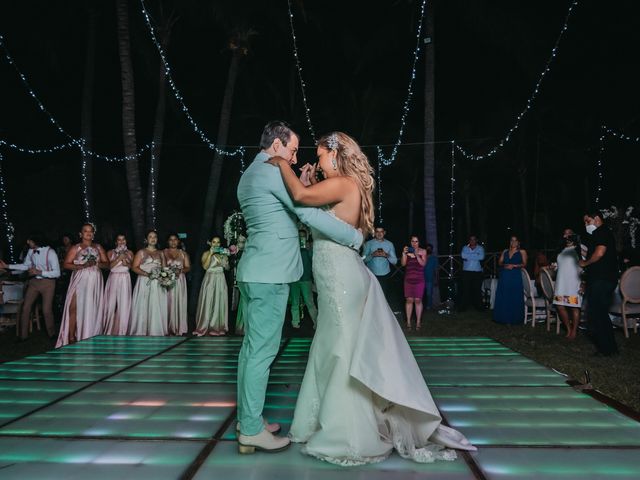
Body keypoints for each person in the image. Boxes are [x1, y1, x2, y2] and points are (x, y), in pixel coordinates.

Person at [268, 131, 475, 465]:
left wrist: (280, 162)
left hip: (341, 281)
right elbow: (310, 209)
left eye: (320, 157)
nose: (318, 164)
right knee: (330, 347)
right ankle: (320, 420)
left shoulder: (344, 183)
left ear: (334, 155)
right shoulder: (343, 186)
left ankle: (349, 434)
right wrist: (304, 180)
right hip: (337, 276)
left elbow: (300, 197)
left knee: (341, 351)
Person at [235, 121, 364, 455]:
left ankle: (249, 418)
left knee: (252, 350)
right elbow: (305, 211)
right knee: (261, 353)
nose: (294, 158)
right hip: (270, 274)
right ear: (277, 144)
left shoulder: (251, 172)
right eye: (292, 150)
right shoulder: (272, 171)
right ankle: (250, 430)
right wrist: (352, 235)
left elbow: (282, 212)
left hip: (255, 270)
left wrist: (301, 184)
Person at [56, 223, 108, 347]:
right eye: (85, 231)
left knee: (91, 306)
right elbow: (66, 264)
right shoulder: (76, 248)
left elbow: (107, 264)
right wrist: (81, 265)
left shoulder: (98, 247)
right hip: (80, 278)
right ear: (81, 234)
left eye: (90, 231)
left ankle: (90, 333)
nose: (88, 233)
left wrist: (96, 263)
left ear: (93, 234)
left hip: (95, 280)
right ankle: (71, 336)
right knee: (73, 307)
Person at [0, 233, 60, 340]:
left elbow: (57, 273)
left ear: (36, 241)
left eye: (29, 241)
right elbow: (25, 266)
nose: (27, 242)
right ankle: (23, 336)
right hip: (34, 283)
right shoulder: (30, 251)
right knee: (26, 307)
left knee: (46, 310)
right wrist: (7, 266)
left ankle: (52, 334)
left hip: (48, 283)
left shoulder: (50, 253)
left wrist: (39, 272)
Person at [579, 212, 619, 356]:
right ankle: (609, 348)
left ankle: (606, 350)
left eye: (587, 221)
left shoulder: (601, 232)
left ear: (597, 219)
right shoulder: (600, 233)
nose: (585, 225)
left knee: (597, 315)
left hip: (602, 279)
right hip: (601, 279)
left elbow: (600, 253)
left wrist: (585, 262)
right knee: (600, 314)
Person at [129, 230, 168, 336]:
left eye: (155, 236)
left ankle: (156, 329)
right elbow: (134, 268)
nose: (153, 238)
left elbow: (164, 269)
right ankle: (141, 330)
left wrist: (165, 277)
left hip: (157, 283)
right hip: (144, 281)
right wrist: (147, 274)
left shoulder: (161, 253)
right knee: (143, 305)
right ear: (146, 239)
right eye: (150, 236)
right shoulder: (141, 252)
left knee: (156, 305)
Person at [193, 236, 230, 336]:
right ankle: (206, 325)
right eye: (214, 242)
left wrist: (225, 259)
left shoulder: (222, 254)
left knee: (219, 301)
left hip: (220, 279)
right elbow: (205, 266)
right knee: (208, 301)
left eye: (218, 242)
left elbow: (227, 268)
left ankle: (218, 326)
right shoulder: (206, 253)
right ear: (210, 243)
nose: (216, 244)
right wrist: (210, 253)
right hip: (209, 279)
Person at [102, 233, 133, 335]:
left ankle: (123, 330)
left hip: (125, 278)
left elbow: (131, 267)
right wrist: (118, 258)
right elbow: (108, 267)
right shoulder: (110, 252)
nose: (121, 242)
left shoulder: (130, 253)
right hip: (114, 277)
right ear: (116, 242)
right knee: (110, 304)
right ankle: (109, 329)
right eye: (119, 240)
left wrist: (125, 260)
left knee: (124, 303)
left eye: (123, 239)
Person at [553, 233, 582, 340]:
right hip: (561, 282)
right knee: (560, 306)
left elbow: (586, 263)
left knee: (574, 306)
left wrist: (584, 282)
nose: (566, 235)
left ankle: (574, 331)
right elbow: (561, 264)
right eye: (564, 233)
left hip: (573, 282)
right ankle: (568, 329)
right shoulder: (561, 249)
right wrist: (554, 266)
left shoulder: (579, 248)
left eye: (569, 233)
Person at [493, 236, 527, 325]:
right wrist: (504, 265)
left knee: (514, 295)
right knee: (504, 295)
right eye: (512, 240)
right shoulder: (505, 251)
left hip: (515, 275)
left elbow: (524, 264)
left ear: (518, 242)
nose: (513, 242)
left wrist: (514, 266)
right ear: (510, 242)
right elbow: (500, 262)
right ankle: (502, 318)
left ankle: (515, 319)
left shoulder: (522, 251)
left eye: (515, 240)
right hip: (504, 275)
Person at [289, 229, 317, 329]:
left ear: (305, 237)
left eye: (303, 237)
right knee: (295, 302)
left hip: (306, 279)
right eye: (299, 237)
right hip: (295, 279)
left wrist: (310, 250)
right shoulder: (292, 248)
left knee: (309, 302)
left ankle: (316, 322)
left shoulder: (309, 250)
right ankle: (295, 322)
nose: (301, 238)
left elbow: (314, 261)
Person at [363, 226, 398, 306]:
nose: (379, 234)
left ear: (384, 233)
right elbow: (363, 260)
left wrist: (386, 255)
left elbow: (395, 261)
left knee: (382, 297)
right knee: (371, 297)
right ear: (374, 233)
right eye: (377, 231)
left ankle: (382, 316)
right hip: (371, 274)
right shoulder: (369, 244)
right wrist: (372, 255)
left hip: (384, 274)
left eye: (381, 231)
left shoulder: (389, 244)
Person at [164, 233, 190, 336]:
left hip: (180, 281)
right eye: (171, 239)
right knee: (168, 303)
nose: (173, 242)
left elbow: (188, 267)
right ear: (168, 241)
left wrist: (181, 270)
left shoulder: (183, 253)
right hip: (167, 280)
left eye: (175, 240)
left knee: (179, 302)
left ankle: (179, 327)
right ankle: (168, 327)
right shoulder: (164, 252)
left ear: (178, 241)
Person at [401, 235, 426, 331]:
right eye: (412, 241)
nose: (414, 243)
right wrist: (403, 254)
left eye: (416, 241)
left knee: (418, 301)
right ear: (410, 242)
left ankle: (418, 322)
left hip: (419, 280)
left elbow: (423, 264)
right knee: (409, 301)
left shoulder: (423, 251)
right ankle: (408, 322)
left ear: (419, 242)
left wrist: (416, 255)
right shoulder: (407, 252)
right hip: (408, 280)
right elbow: (403, 264)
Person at [459, 235, 485, 311]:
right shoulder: (465, 248)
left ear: (476, 240)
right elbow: (463, 255)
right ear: (469, 240)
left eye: (474, 239)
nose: (472, 241)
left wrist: (469, 256)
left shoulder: (480, 248)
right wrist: (476, 255)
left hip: (477, 272)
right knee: (465, 290)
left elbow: (481, 257)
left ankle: (479, 307)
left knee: (477, 290)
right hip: (466, 272)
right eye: (471, 239)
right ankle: (463, 307)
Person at [423, 243, 438, 310]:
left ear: (432, 250)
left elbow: (436, 270)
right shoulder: (422, 257)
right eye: (427, 248)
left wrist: (436, 279)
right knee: (421, 293)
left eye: (430, 248)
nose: (428, 249)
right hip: (421, 278)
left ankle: (429, 306)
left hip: (430, 278)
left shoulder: (434, 258)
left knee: (429, 293)